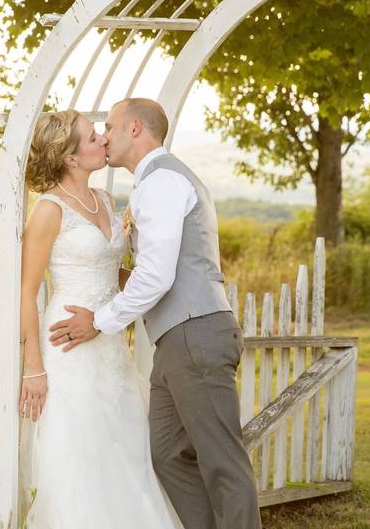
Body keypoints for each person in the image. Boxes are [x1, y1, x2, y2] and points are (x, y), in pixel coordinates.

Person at [49, 98, 262, 529]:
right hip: (175, 340)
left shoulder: (163, 183)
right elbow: (156, 269)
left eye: (109, 126)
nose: (104, 135)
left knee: (223, 463)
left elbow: (158, 277)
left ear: (135, 129)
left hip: (195, 333)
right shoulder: (151, 183)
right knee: (166, 455)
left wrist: (100, 320)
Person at [17, 109, 184, 529]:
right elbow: (26, 290)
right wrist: (34, 370)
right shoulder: (49, 210)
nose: (103, 141)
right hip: (68, 345)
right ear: (70, 157)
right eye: (93, 137)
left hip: (109, 343)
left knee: (124, 446)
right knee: (81, 452)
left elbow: (116, 274)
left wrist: (155, 279)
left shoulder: (106, 201)